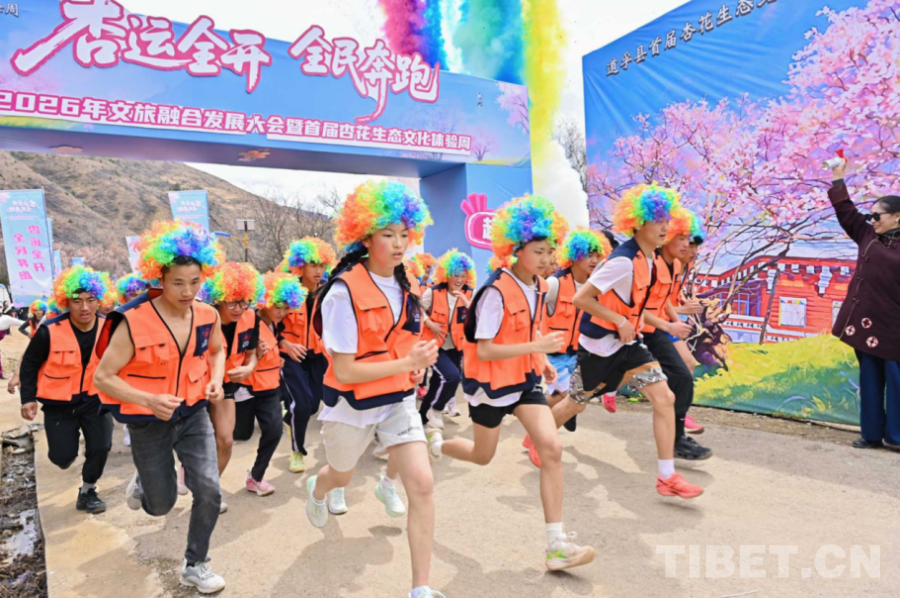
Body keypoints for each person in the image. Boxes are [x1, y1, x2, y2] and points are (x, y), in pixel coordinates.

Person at [434, 195, 596, 572]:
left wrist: (542, 361)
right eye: (538, 251)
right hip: (489, 385)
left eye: (550, 251)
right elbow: (486, 349)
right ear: (515, 249)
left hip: (524, 382)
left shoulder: (539, 286)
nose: (546, 258)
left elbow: (530, 328)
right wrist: (538, 348)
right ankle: (435, 445)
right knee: (482, 455)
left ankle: (556, 546)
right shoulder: (494, 291)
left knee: (551, 448)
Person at [306, 180, 442, 598]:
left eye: (404, 234)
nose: (399, 244)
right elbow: (345, 371)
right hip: (351, 404)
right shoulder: (342, 292)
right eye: (388, 235)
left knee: (422, 484)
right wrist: (408, 364)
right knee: (340, 473)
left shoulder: (408, 284)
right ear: (365, 237)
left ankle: (420, 589)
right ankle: (319, 489)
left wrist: (416, 366)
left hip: (397, 400)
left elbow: (402, 341)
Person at [94, 220, 228, 594]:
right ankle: (145, 483)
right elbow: (103, 377)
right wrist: (148, 400)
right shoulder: (133, 321)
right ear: (160, 279)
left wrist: (216, 380)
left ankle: (196, 564)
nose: (187, 291)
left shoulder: (209, 315)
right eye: (177, 283)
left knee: (210, 490)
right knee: (160, 506)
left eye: (195, 282)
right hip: (147, 420)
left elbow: (217, 351)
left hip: (194, 413)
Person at [571, 183, 704, 499]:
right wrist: (619, 321)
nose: (665, 228)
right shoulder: (623, 261)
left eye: (667, 220)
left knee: (665, 398)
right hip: (600, 347)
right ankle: (538, 435)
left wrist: (658, 322)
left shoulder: (649, 260)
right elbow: (581, 298)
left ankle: (667, 477)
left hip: (630, 346)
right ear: (639, 222)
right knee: (573, 404)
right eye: (657, 221)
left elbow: (639, 306)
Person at [18, 267, 113, 514]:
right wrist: (27, 398)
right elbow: (30, 364)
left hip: (96, 400)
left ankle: (88, 491)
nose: (84, 307)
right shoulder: (49, 330)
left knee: (101, 446)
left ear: (99, 301)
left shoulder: (111, 328)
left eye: (90, 300)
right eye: (77, 301)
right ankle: (66, 453)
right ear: (66, 302)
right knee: (62, 458)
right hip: (59, 404)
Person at [521, 228, 612, 467]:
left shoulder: (595, 287)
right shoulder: (555, 283)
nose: (594, 260)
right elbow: (530, 314)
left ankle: (532, 427)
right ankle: (540, 440)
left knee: (560, 398)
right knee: (570, 398)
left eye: (598, 255)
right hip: (552, 355)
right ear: (576, 254)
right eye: (589, 254)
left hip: (577, 354)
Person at [828, 158, 900, 452]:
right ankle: (871, 435)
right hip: (866, 324)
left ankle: (896, 437)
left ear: (897, 217)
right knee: (870, 380)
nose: (872, 220)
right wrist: (838, 176)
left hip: (894, 327)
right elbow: (845, 210)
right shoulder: (867, 234)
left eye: (878, 216)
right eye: (870, 215)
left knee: (896, 383)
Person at [638, 207, 712, 461]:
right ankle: (549, 420)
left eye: (689, 241)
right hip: (629, 335)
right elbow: (633, 308)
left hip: (654, 332)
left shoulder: (674, 267)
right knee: (579, 396)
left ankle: (676, 440)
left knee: (681, 377)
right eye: (682, 239)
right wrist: (672, 324)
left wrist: (675, 319)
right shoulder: (647, 265)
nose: (688, 247)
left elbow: (664, 300)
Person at [196, 261, 264, 513]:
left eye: (244, 302)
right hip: (195, 385)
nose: (239, 309)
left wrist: (248, 369)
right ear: (218, 298)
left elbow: (252, 355)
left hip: (227, 385)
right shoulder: (200, 317)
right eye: (232, 303)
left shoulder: (251, 317)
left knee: (225, 441)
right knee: (190, 441)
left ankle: (209, 490)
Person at [234, 271, 306, 496]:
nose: (282, 312)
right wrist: (253, 356)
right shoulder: (247, 320)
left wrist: (275, 359)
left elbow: (271, 347)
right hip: (246, 389)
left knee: (274, 431)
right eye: (277, 307)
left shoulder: (274, 324)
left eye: (286, 308)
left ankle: (256, 477)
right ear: (265, 301)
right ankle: (191, 463)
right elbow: (234, 354)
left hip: (269, 388)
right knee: (239, 434)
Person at [278, 237, 337, 475]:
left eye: (321, 265)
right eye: (313, 265)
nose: (318, 271)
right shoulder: (287, 291)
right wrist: (284, 343)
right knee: (302, 404)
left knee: (311, 407)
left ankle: (291, 418)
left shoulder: (328, 292)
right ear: (300, 266)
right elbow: (267, 323)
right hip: (292, 357)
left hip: (318, 357)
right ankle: (297, 451)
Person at [419, 249, 476, 433]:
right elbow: (416, 310)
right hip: (434, 344)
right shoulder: (433, 292)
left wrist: (467, 304)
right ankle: (436, 410)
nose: (459, 280)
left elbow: (479, 317)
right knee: (453, 377)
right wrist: (429, 323)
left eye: (463, 276)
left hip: (456, 346)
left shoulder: (469, 293)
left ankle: (421, 418)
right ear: (446, 274)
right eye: (455, 275)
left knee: (437, 383)